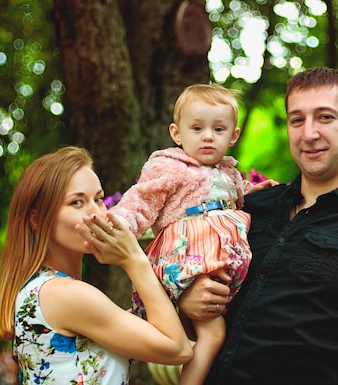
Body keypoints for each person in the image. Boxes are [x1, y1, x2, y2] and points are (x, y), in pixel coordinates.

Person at [178, 67, 338, 384]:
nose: (308, 133)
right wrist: (187, 302)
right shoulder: (251, 208)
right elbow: (191, 319)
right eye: (297, 120)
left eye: (325, 117)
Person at [109, 83, 276, 385]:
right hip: (188, 255)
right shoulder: (169, 168)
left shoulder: (228, 172)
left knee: (209, 329)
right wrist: (120, 222)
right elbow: (142, 199)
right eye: (197, 128)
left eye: (218, 129)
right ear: (177, 133)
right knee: (213, 334)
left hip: (214, 259)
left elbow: (235, 198)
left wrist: (256, 192)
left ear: (233, 136)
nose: (208, 136)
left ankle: (116, 341)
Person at [0, 146, 192, 384]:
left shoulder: (44, 291)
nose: (97, 213)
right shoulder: (64, 294)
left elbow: (160, 328)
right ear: (36, 219)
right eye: (77, 202)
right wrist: (134, 259)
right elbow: (178, 349)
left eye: (98, 199)